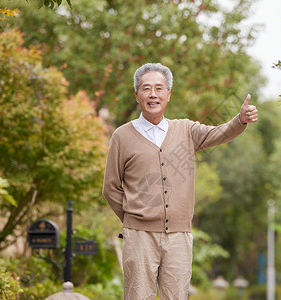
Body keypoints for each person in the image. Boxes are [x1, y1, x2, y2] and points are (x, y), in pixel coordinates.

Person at [103, 62, 258, 300]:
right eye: (146, 89)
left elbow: (220, 132)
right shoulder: (122, 136)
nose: (153, 94)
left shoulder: (186, 130)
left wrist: (240, 120)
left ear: (168, 94)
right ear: (137, 95)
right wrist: (133, 219)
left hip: (179, 236)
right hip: (139, 237)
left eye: (159, 88)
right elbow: (111, 187)